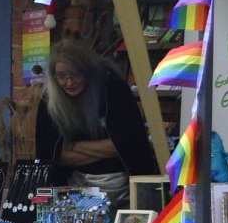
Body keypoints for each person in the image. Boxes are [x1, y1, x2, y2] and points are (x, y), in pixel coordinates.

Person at [35, 42, 158, 207]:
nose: (69, 83)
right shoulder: (49, 102)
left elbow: (126, 145)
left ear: (87, 71)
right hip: (72, 188)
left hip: (121, 186)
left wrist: (72, 146)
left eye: (75, 75)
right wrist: (106, 149)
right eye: (61, 76)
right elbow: (53, 156)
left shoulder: (113, 91)